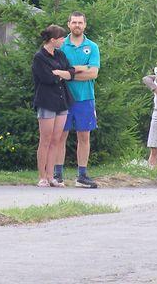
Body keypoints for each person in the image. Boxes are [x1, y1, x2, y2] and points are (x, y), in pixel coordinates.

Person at [54, 11, 101, 188]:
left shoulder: (92, 47)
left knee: (84, 135)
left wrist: (69, 73)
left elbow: (93, 73)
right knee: (60, 136)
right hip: (63, 98)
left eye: (80, 23)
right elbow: (56, 71)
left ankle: (82, 175)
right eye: (74, 22)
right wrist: (80, 70)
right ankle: (58, 175)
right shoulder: (61, 45)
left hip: (85, 98)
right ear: (68, 24)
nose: (77, 25)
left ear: (85, 25)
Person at [32, 24, 75, 187]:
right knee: (45, 139)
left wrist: (60, 73)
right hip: (46, 102)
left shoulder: (60, 55)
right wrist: (59, 75)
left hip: (62, 101)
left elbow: (71, 72)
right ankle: (42, 176)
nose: (64, 40)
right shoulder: (39, 57)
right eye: (61, 38)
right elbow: (47, 78)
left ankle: (51, 176)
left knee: (56, 139)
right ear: (52, 40)